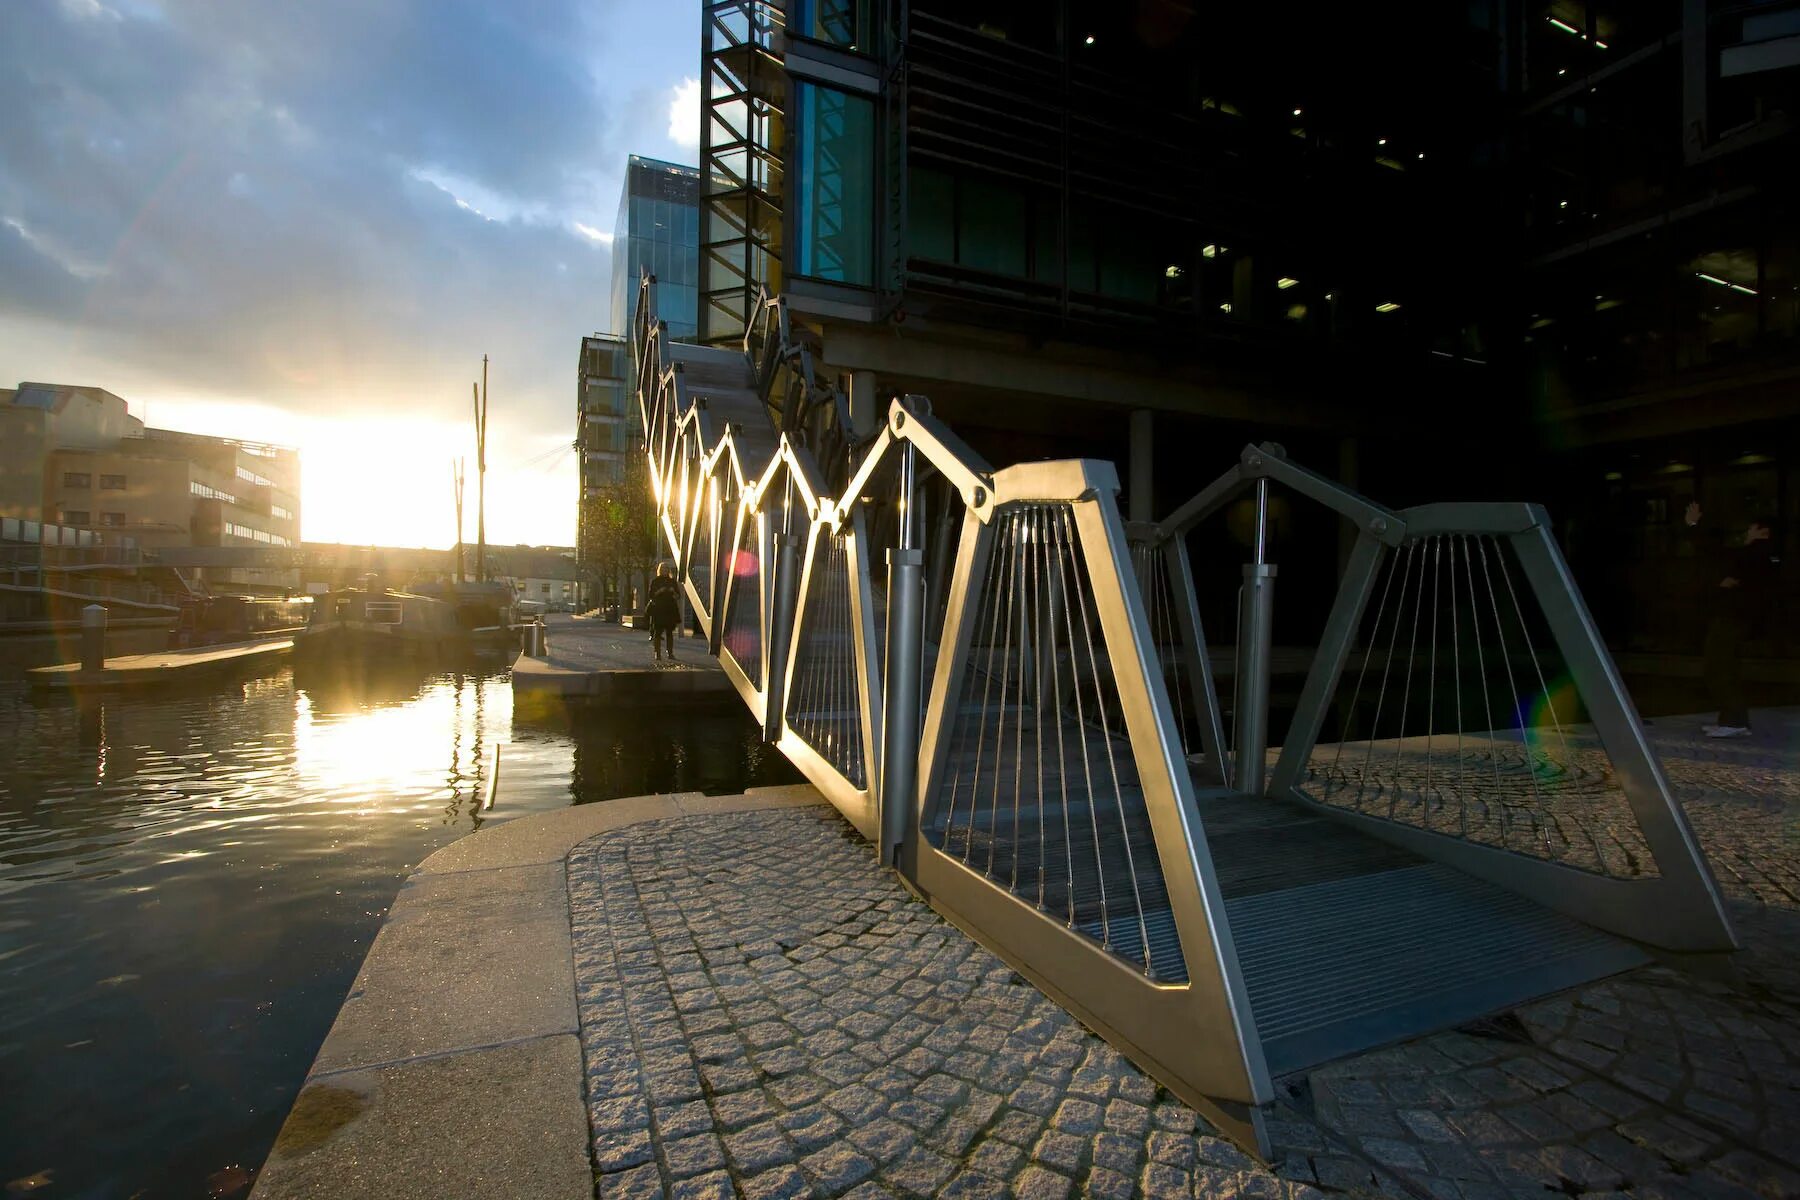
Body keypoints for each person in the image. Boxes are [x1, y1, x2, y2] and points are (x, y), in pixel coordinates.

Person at [1685, 501, 1778, 738]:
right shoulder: (1761, 555)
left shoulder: (1755, 554)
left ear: (1761, 531)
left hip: (1732, 619)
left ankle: (1734, 721)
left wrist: (1694, 526)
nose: (1746, 533)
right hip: (1738, 619)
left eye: (1751, 529)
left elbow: (1720, 561)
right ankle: (1733, 720)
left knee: (1718, 667)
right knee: (1724, 668)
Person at [644, 561, 682, 662]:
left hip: (670, 608)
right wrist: (659, 591)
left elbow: (678, 596)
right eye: (663, 569)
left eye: (666, 568)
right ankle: (657, 653)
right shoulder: (655, 581)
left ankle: (670, 653)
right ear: (660, 570)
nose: (665, 570)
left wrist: (673, 591)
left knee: (669, 632)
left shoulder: (672, 581)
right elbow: (651, 595)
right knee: (658, 632)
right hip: (659, 609)